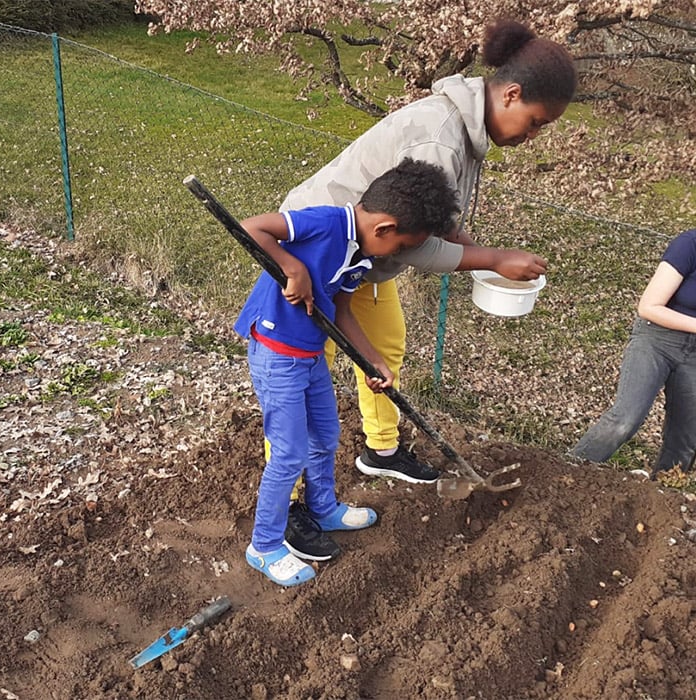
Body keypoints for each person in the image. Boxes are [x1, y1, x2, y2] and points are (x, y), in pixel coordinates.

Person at [278, 19, 577, 561]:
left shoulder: (467, 131)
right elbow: (410, 243)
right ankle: (289, 505)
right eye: (535, 123)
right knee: (299, 385)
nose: (533, 137)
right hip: (318, 258)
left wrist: (479, 253)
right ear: (511, 94)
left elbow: (433, 222)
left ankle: (382, 450)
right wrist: (490, 259)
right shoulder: (438, 136)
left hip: (367, 261)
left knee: (384, 352)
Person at [237, 158, 460, 586]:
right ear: (385, 229)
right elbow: (251, 228)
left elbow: (340, 309)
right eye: (398, 248)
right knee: (287, 452)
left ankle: (324, 508)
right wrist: (293, 267)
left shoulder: (360, 252)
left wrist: (372, 358)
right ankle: (264, 545)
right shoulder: (325, 223)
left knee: (325, 435)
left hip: (311, 353)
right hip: (276, 353)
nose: (395, 256)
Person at [571, 175, 696, 474]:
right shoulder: (689, 246)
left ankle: (666, 498)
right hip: (657, 340)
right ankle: (568, 469)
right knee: (625, 420)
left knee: (684, 440)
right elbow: (649, 306)